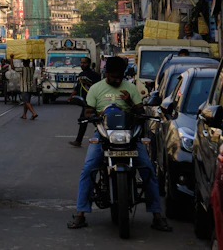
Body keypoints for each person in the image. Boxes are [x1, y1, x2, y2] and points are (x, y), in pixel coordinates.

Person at [67, 56, 171, 232]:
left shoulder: (130, 88)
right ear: (106, 73)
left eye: (119, 77)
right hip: (103, 136)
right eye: (113, 76)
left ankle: (157, 216)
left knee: (148, 170)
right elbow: (87, 112)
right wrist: (95, 114)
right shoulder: (96, 89)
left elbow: (139, 110)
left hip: (130, 137)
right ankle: (80, 214)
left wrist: (130, 102)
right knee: (88, 169)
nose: (117, 80)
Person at [67, 56, 101, 147]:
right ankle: (78, 141)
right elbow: (78, 88)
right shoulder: (81, 74)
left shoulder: (95, 75)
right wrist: (71, 97)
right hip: (85, 102)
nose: (82, 64)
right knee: (85, 121)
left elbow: (98, 87)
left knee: (93, 120)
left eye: (84, 63)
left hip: (94, 101)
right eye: (81, 63)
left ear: (89, 64)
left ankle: (101, 139)